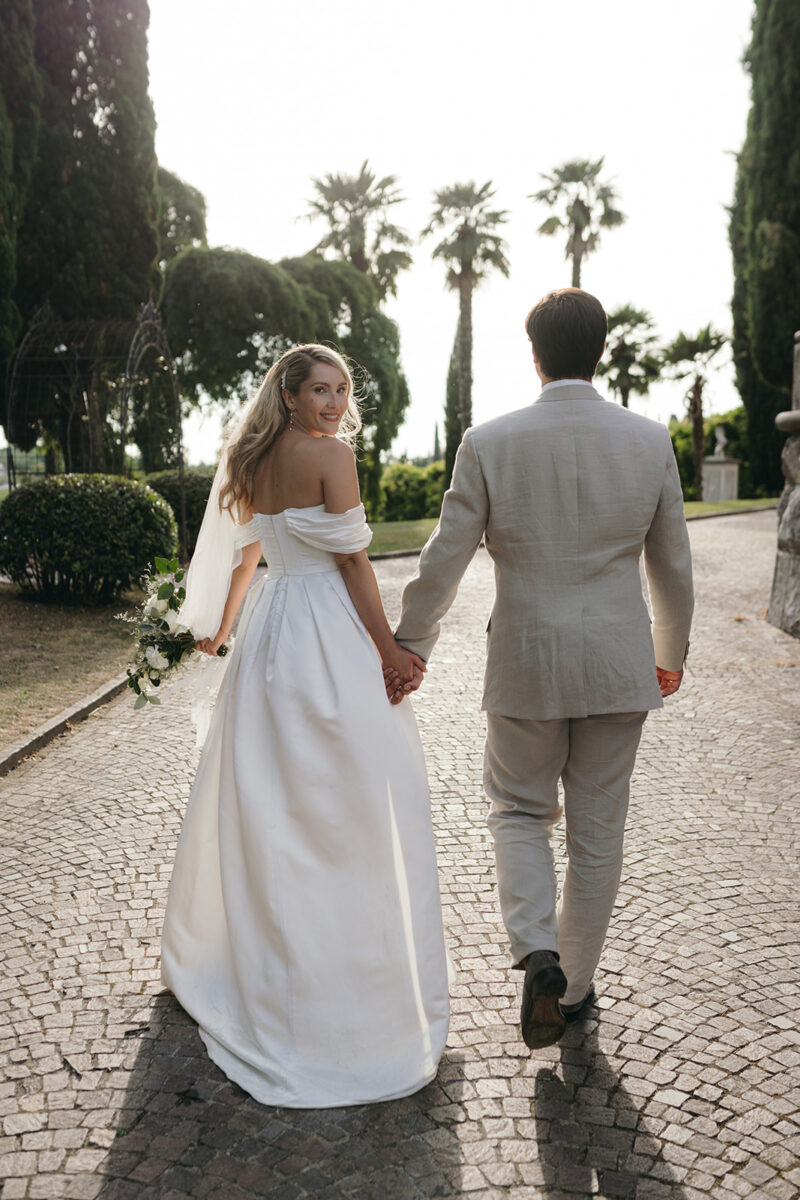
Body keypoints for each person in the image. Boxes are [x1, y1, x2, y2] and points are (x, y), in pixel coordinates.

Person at [387, 289, 694, 1050]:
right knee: (598, 836)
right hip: (620, 664)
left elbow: (444, 557)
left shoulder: (490, 441)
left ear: (535, 354)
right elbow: (674, 568)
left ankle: (539, 952)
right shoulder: (648, 439)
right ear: (601, 349)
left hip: (525, 660)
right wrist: (670, 655)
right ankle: (577, 988)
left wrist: (410, 642)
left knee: (520, 810)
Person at [161, 344, 450, 1107]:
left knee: (276, 796)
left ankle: (287, 950)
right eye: (319, 389)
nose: (332, 402)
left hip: (272, 635)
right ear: (288, 394)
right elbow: (353, 563)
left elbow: (250, 553)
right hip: (326, 629)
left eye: (341, 390)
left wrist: (222, 631)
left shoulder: (250, 459)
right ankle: (337, 960)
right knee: (349, 797)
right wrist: (389, 650)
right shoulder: (332, 456)